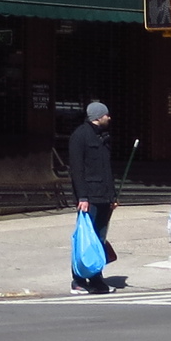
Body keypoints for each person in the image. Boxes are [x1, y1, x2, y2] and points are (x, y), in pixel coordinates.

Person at [66, 101, 117, 294]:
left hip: (104, 196)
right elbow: (77, 170)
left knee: (99, 240)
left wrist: (112, 196)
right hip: (89, 198)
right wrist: (83, 197)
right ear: (97, 116)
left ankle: (96, 278)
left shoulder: (103, 137)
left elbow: (107, 170)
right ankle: (78, 279)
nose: (109, 118)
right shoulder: (80, 136)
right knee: (85, 240)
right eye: (106, 115)